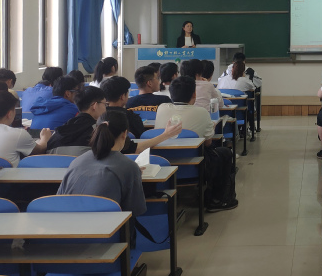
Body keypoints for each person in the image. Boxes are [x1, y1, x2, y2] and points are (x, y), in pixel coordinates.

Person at [155, 76, 238, 212]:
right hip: (194, 168)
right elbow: (208, 143)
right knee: (225, 153)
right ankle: (218, 200)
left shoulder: (162, 108)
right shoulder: (201, 112)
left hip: (163, 165)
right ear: (194, 94)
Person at [57, 110, 147, 218]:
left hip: (68, 224)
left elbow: (59, 199)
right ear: (124, 134)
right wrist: (133, 175)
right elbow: (135, 210)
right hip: (106, 226)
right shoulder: (129, 166)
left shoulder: (76, 161)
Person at [48, 86, 181, 156]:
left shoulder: (59, 131)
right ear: (94, 106)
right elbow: (136, 149)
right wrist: (166, 135)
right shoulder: (102, 130)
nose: (106, 107)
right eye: (104, 104)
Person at [0, 91, 50, 167]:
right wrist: (44, 138)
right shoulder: (18, 134)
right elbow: (40, 150)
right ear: (9, 114)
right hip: (8, 175)